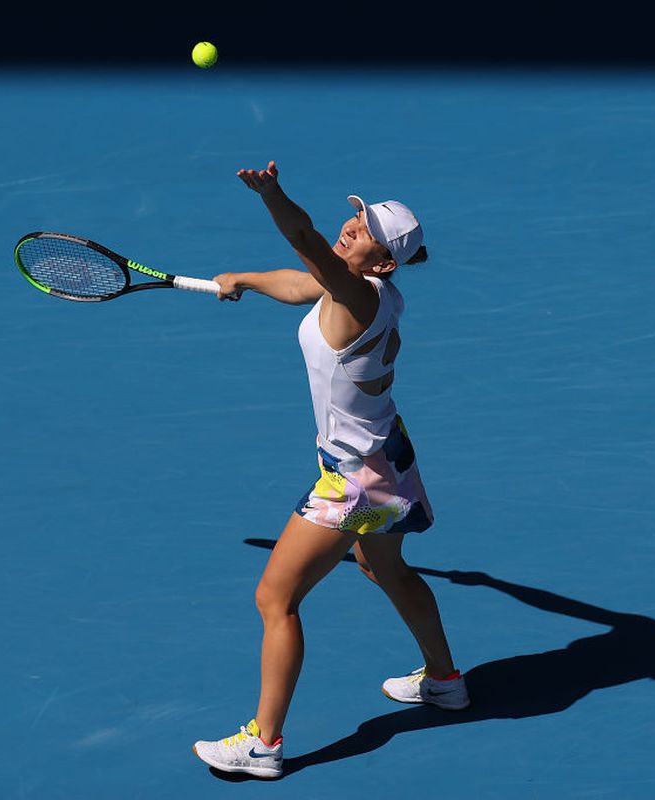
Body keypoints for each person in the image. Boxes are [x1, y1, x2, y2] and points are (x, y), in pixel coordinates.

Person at [191, 161, 469, 779]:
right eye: (357, 215)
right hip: (391, 459)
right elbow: (301, 280)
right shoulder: (364, 290)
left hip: (355, 481)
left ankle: (263, 744)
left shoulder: (355, 292)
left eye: (365, 228)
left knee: (275, 597)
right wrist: (244, 278)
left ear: (382, 263)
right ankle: (446, 681)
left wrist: (273, 195)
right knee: (385, 567)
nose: (351, 226)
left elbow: (306, 243)